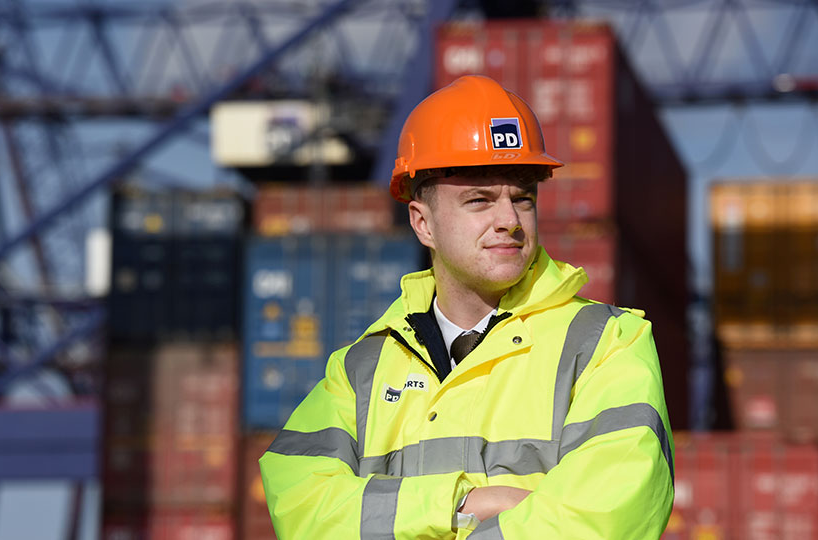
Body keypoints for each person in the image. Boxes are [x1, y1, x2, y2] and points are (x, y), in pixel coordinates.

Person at [259, 75, 674, 539]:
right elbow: (299, 505)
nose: (510, 221)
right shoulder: (361, 370)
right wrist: (458, 505)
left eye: (523, 199)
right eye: (479, 201)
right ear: (423, 223)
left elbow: (612, 515)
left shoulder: (607, 344)